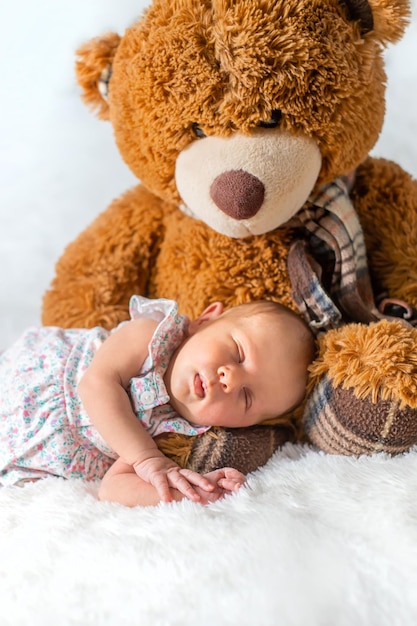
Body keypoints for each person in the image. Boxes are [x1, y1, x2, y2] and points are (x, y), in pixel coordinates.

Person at [0, 295, 315, 507]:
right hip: (27, 385)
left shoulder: (175, 434)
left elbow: (113, 488)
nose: (230, 379)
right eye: (238, 353)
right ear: (205, 321)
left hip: (23, 454)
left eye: (246, 397)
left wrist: (192, 490)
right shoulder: (150, 338)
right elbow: (96, 385)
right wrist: (146, 458)